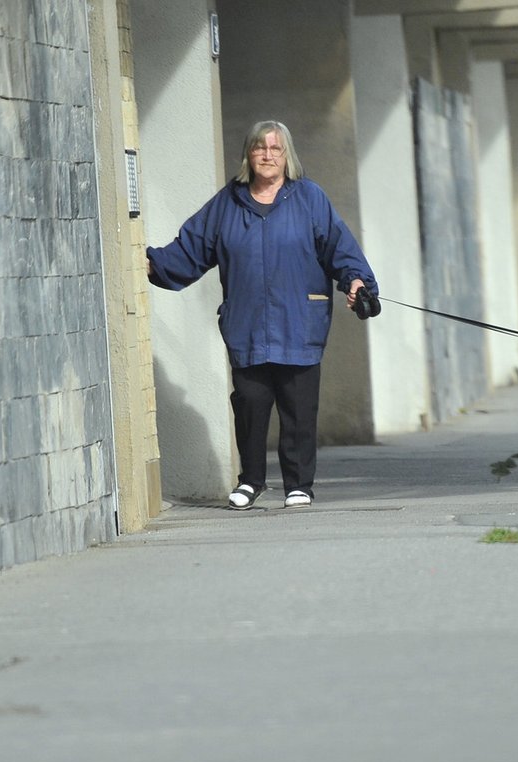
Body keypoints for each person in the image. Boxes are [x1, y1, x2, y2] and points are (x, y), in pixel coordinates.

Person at [146, 120, 378, 511]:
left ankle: (298, 484)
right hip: (248, 323)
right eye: (260, 148)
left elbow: (341, 249)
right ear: (248, 155)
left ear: (287, 157)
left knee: (298, 409)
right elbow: (191, 249)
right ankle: (251, 480)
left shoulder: (309, 199)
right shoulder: (227, 203)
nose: (268, 155)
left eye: (276, 149)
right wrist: (148, 263)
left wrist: (356, 282)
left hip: (299, 320)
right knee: (251, 403)